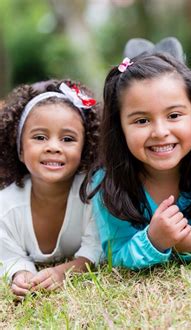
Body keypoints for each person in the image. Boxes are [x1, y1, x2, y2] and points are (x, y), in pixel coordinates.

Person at [85, 52, 191, 270]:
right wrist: (153, 241)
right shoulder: (108, 182)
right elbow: (117, 254)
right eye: (142, 120)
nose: (160, 132)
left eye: (174, 115)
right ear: (119, 129)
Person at [0, 79, 102, 297]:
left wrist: (65, 271)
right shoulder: (5, 206)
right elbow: (8, 255)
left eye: (67, 139)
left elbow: (97, 248)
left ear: (85, 149)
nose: (53, 147)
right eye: (39, 137)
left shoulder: (93, 195)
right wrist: (21, 273)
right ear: (19, 149)